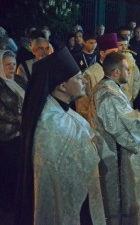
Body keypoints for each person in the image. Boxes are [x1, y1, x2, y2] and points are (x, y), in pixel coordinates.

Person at [17, 47, 105, 224]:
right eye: (78, 78)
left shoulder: (62, 109)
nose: (85, 82)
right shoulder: (49, 123)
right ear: (63, 86)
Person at [88, 52, 140, 224]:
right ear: (116, 72)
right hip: (113, 153)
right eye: (127, 69)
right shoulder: (108, 93)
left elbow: (121, 116)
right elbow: (118, 125)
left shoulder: (109, 87)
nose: (129, 72)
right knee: (115, 194)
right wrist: (139, 117)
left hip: (112, 149)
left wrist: (135, 115)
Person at [0, 50, 26, 212]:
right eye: (7, 65)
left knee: (22, 170)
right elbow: (2, 112)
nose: (11, 67)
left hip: (25, 133)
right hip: (8, 136)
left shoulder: (19, 80)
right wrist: (22, 119)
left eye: (13, 64)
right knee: (10, 171)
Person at [76, 33, 119, 120]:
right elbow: (82, 106)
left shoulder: (119, 71)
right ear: (102, 53)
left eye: (117, 52)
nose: (116, 56)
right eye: (112, 52)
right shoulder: (89, 74)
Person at [117, 36, 140, 106]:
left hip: (129, 98)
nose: (124, 48)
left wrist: (132, 94)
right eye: (120, 45)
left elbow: (138, 79)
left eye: (125, 45)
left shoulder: (131, 60)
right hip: (116, 97)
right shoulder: (112, 60)